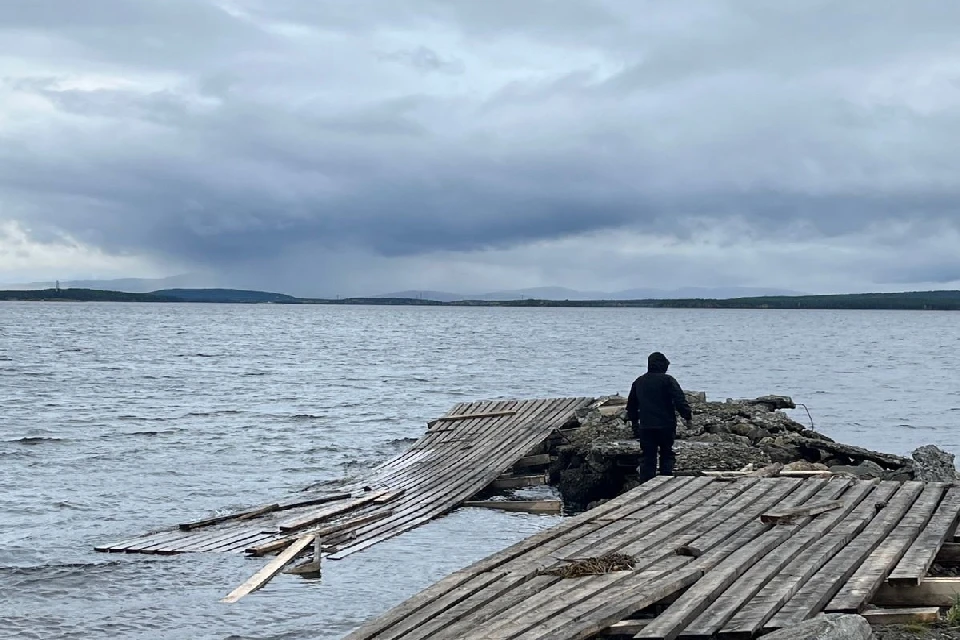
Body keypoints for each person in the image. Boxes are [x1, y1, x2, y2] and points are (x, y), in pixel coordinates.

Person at [626, 351, 693, 483]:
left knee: (648, 457)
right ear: (663, 366)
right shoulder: (668, 380)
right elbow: (679, 399)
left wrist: (634, 424)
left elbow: (631, 405)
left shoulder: (639, 382)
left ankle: (645, 484)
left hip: (646, 426)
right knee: (667, 454)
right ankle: (665, 481)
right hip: (666, 425)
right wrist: (687, 416)